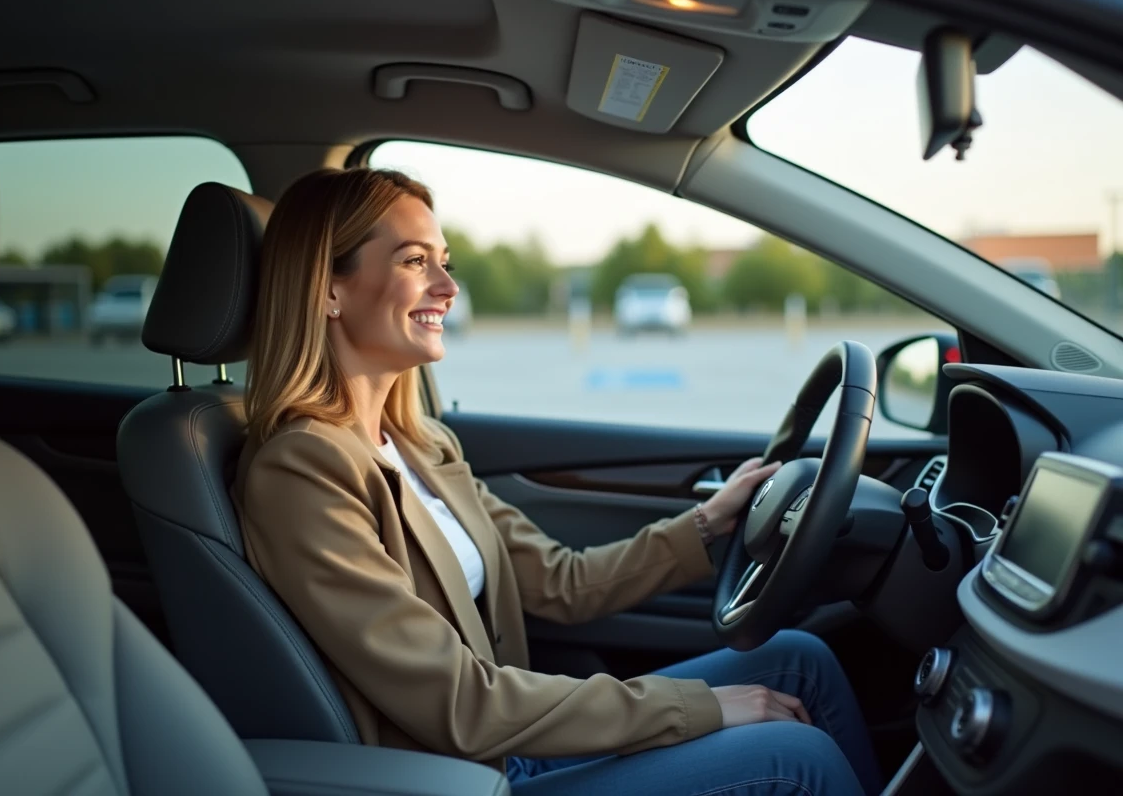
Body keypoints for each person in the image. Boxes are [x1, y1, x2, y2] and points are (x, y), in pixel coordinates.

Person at [231, 168, 883, 796]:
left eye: (444, 259)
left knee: (801, 661)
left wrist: (708, 523)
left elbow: (562, 582)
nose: (448, 286)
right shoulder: (302, 473)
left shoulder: (420, 446)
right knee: (795, 757)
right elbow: (459, 702)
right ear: (328, 290)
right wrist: (698, 708)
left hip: (512, 745)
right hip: (464, 776)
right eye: (413, 261)